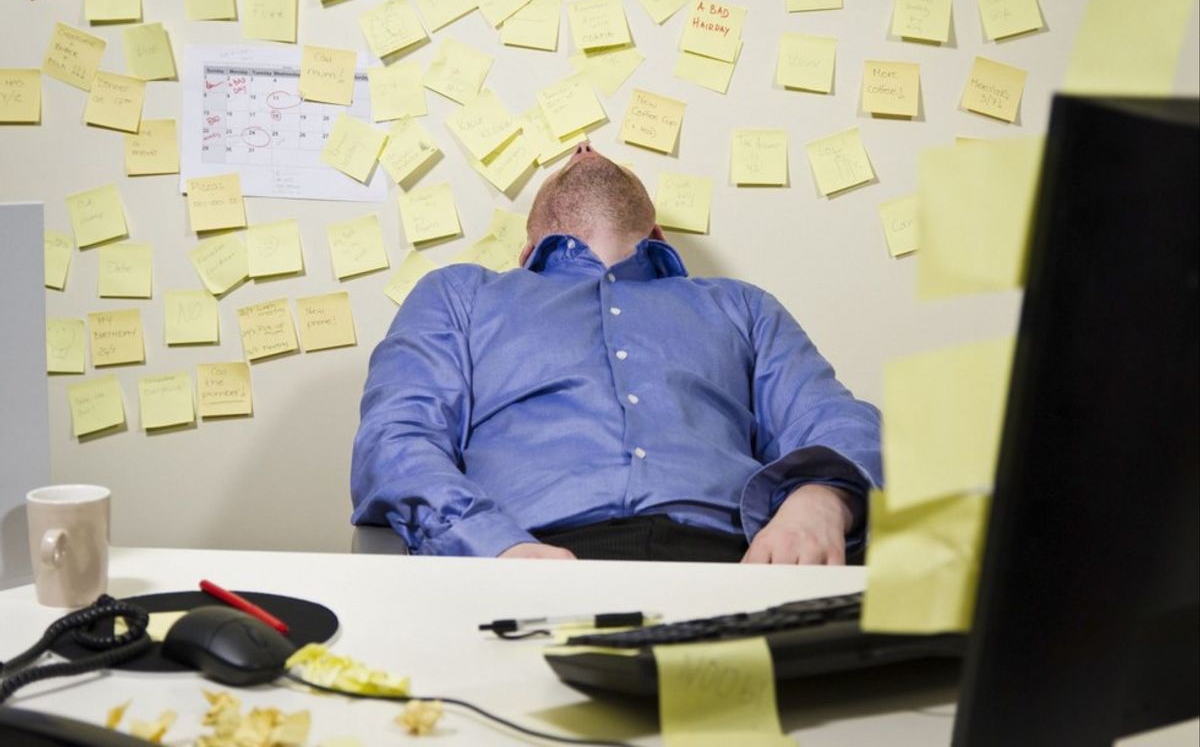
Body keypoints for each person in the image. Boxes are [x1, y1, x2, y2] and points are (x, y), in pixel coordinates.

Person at [351, 143, 882, 563]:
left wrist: (821, 500)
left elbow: (835, 417)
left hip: (734, 567)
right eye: (572, 154)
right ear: (526, 252)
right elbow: (396, 439)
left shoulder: (743, 306)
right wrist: (492, 545)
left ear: (658, 234)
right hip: (522, 564)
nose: (584, 147)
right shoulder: (459, 294)